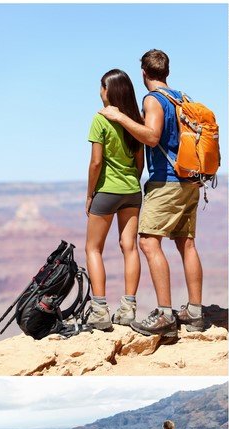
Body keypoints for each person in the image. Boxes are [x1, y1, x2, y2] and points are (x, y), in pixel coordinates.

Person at [101, 49, 205, 342]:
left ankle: (164, 315)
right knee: (186, 243)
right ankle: (194, 312)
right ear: (166, 71)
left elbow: (151, 136)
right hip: (190, 181)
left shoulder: (153, 100)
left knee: (148, 241)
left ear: (144, 73)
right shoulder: (182, 97)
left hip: (166, 182)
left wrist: (120, 117)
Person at [86, 70, 144, 330]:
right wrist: (131, 182)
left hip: (107, 191)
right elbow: (140, 163)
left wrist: (90, 194)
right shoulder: (136, 120)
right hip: (132, 191)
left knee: (93, 248)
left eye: (101, 87)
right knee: (129, 247)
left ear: (109, 91)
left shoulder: (100, 119)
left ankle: (99, 311)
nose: (99, 91)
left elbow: (96, 162)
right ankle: (128, 309)